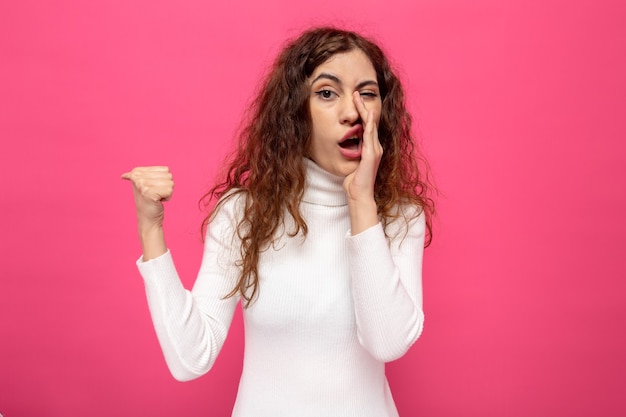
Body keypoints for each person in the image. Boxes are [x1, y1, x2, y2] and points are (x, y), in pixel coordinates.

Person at [122, 27, 434, 417]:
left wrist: (361, 201)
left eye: (366, 93)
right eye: (326, 93)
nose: (352, 112)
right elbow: (191, 357)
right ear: (295, 112)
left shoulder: (400, 217)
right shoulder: (244, 213)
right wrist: (151, 229)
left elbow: (387, 342)